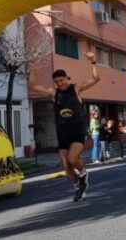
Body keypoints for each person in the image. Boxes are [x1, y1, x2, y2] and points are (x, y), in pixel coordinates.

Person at [29, 51, 100, 202]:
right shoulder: (53, 93)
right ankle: (78, 187)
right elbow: (33, 85)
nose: (60, 84)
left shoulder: (76, 89)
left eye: (62, 80)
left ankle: (83, 173)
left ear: (67, 78)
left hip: (77, 131)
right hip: (62, 132)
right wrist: (33, 68)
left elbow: (96, 79)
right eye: (57, 82)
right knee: (66, 165)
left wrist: (93, 62)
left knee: (73, 158)